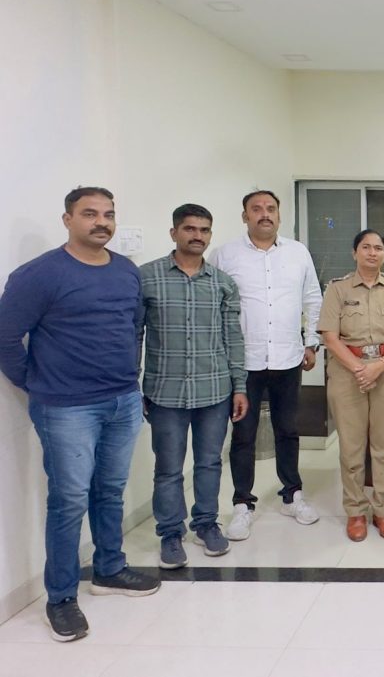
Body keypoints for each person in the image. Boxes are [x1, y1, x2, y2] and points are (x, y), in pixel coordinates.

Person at [0, 187, 160, 643]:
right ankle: (61, 597)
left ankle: (109, 568)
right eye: (89, 214)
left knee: (110, 491)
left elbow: (131, 328)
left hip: (122, 399)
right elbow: (5, 337)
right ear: (67, 220)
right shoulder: (40, 274)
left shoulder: (126, 271)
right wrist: (34, 383)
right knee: (69, 500)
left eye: (108, 214)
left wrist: (130, 380)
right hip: (67, 407)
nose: (101, 222)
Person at [140, 204, 249, 569]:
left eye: (204, 230)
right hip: (165, 392)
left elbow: (233, 339)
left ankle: (206, 524)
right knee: (168, 468)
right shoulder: (147, 278)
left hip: (213, 390)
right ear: (174, 232)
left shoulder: (222, 283)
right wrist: (133, 385)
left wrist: (240, 386)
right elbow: (133, 334)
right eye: (189, 229)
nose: (197, 236)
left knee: (209, 463)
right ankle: (171, 533)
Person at [209, 190, 323, 540]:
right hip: (243, 362)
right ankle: (243, 504)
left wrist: (311, 342)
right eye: (256, 209)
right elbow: (213, 305)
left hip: (288, 358)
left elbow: (312, 298)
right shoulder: (224, 255)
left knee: (287, 429)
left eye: (271, 208)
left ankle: (292, 495)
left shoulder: (297, 252)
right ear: (245, 216)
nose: (265, 214)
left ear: (279, 214)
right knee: (243, 435)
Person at [319, 229, 384, 542]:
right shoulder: (337, 289)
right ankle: (356, 512)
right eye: (365, 247)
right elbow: (329, 336)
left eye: (378, 248)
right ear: (355, 253)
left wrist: (379, 366)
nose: (372, 252)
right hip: (348, 372)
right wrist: (360, 368)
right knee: (351, 447)